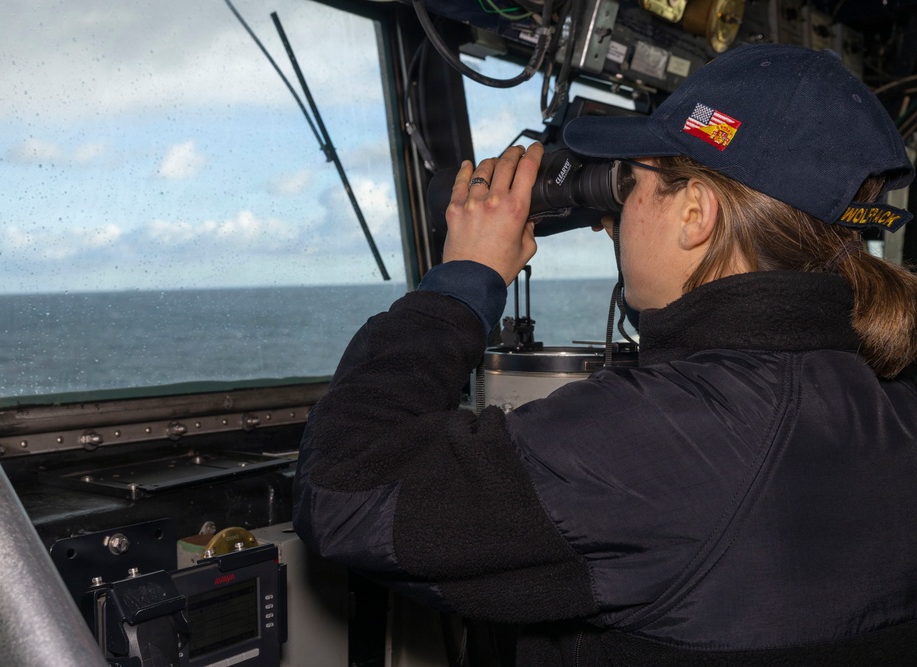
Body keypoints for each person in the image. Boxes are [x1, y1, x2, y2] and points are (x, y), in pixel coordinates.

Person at [292, 43, 917, 665]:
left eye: (634, 184)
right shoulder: (892, 413)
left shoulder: (655, 441)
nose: (615, 217)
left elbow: (342, 493)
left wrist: (465, 278)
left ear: (695, 213)